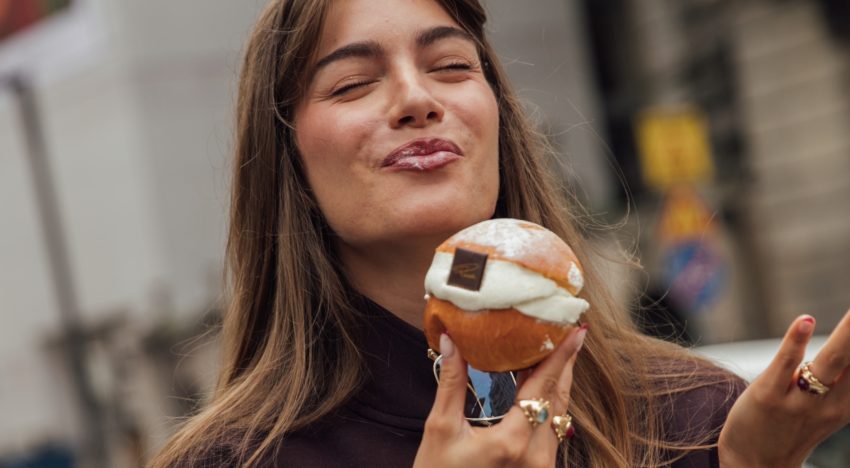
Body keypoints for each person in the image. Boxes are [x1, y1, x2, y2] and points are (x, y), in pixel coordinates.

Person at [150, 0, 850, 466]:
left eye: (451, 66)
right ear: (288, 160)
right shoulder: (232, 459)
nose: (419, 100)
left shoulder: (696, 417)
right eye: (353, 83)